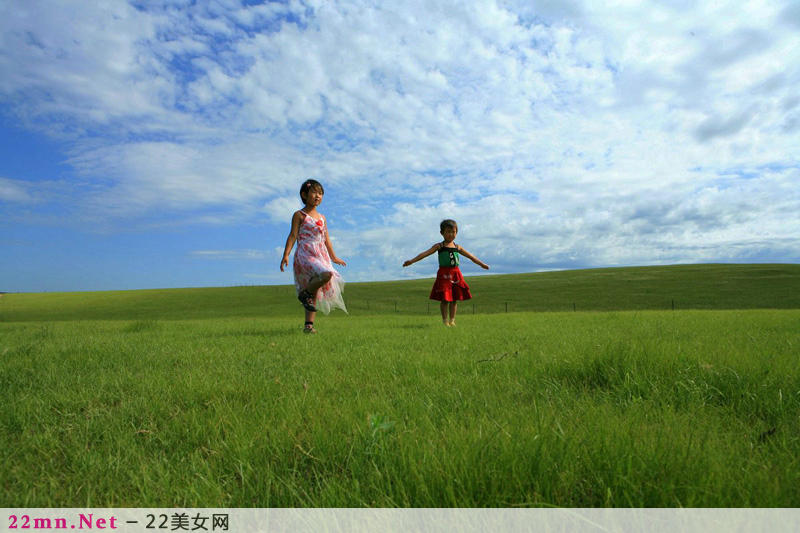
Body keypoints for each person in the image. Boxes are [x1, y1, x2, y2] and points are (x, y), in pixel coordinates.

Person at [280, 179, 347, 333]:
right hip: (306, 253)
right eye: (314, 192)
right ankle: (305, 294)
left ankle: (308, 326)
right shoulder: (299, 215)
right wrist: (286, 255)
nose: (318, 196)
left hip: (321, 254)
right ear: (304, 195)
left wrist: (334, 257)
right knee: (326, 274)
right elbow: (292, 236)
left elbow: (327, 240)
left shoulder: (322, 218)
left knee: (315, 289)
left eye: (321, 193)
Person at [403, 219, 489, 326]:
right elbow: (425, 254)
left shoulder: (458, 247)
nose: (451, 234)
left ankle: (452, 320)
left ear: (456, 232)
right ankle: (445, 321)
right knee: (445, 298)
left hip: (456, 273)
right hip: (444, 274)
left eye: (453, 232)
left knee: (454, 299)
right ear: (442, 233)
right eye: (448, 232)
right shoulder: (439, 246)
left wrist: (482, 264)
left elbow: (471, 257)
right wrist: (411, 261)